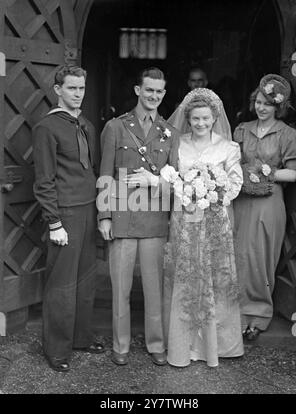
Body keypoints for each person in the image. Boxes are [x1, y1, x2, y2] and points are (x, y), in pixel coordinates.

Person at [98, 67, 180, 366]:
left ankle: (155, 343)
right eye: (149, 90)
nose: (154, 96)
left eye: (159, 92)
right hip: (122, 217)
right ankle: (121, 344)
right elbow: (106, 173)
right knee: (120, 288)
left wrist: (155, 182)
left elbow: (178, 181)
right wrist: (104, 216)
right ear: (137, 90)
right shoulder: (116, 127)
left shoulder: (171, 132)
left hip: (155, 220)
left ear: (164, 93)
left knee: (154, 287)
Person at [162, 88, 244, 368]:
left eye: (205, 119)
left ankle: (215, 345)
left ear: (214, 118)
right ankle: (184, 345)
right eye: (195, 119)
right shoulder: (177, 144)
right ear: (188, 118)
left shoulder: (228, 147)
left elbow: (235, 182)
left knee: (214, 276)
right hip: (185, 220)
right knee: (187, 275)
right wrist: (187, 192)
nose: (200, 124)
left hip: (214, 221)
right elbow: (171, 177)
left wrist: (213, 196)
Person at [32, 65, 104, 372]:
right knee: (62, 284)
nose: (78, 94)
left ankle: (80, 338)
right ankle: (57, 350)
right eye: (72, 88)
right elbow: (44, 180)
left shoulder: (85, 123)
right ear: (58, 89)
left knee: (86, 280)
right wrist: (54, 222)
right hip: (65, 214)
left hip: (88, 208)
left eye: (82, 88)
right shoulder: (46, 128)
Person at [233, 74, 296, 341]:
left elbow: (292, 174)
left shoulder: (288, 134)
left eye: (268, 104)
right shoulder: (241, 129)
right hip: (242, 201)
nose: (261, 107)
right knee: (239, 255)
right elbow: (231, 164)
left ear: (278, 107)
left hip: (270, 203)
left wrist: (264, 171)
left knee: (261, 258)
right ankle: (235, 315)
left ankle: (258, 316)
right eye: (258, 101)